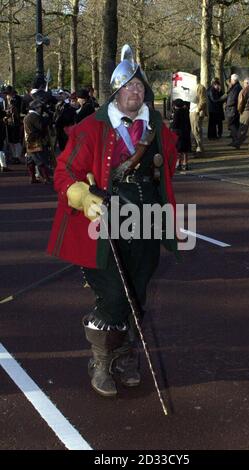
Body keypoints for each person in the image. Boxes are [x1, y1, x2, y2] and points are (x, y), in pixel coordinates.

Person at [47, 44, 178, 398]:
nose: (135, 92)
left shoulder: (157, 129)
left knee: (136, 293)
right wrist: (81, 194)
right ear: (116, 92)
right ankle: (100, 360)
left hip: (146, 221)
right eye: (128, 87)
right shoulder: (91, 128)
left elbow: (170, 163)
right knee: (114, 294)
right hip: (103, 226)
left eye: (140, 87)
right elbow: (63, 173)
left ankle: (124, 355)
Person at [23, 99, 51, 183]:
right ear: (36, 108)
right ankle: (46, 178)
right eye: (39, 107)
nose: (41, 109)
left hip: (30, 140)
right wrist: (46, 118)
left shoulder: (29, 115)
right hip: (35, 140)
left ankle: (33, 178)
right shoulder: (34, 116)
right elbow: (41, 127)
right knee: (41, 160)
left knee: (31, 160)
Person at [170, 98, 191, 171]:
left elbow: (174, 124)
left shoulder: (176, 113)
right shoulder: (186, 112)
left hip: (178, 133)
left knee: (178, 150)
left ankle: (178, 163)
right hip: (186, 132)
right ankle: (185, 163)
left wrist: (171, 122)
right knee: (185, 150)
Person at [189, 80, 207, 156]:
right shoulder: (192, 87)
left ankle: (200, 149)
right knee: (194, 131)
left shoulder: (200, 87)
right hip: (192, 111)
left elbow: (203, 100)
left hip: (196, 111)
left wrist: (198, 109)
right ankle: (197, 147)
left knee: (197, 130)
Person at [224, 74, 242, 146]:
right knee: (235, 125)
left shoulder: (236, 88)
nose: (230, 81)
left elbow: (232, 99)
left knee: (231, 125)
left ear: (233, 80)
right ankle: (235, 140)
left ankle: (237, 140)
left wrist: (227, 105)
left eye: (231, 80)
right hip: (234, 109)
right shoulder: (236, 87)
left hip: (232, 109)